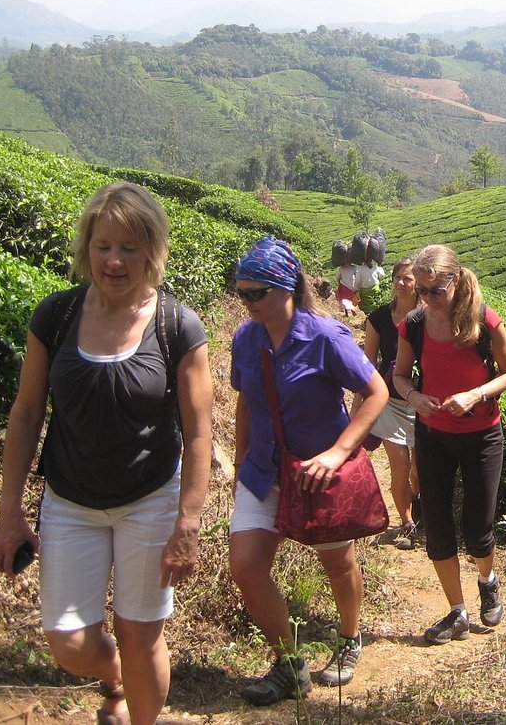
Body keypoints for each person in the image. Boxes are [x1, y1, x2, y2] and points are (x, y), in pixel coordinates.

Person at [0, 182, 214, 725]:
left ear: (152, 250)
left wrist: (188, 519)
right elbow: (25, 413)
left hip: (149, 501)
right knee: (67, 641)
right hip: (70, 501)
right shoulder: (56, 316)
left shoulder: (176, 325)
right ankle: (113, 677)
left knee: (141, 637)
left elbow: (199, 430)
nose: (114, 260)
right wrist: (10, 511)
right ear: (86, 249)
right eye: (103, 246)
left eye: (129, 247)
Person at [228, 235, 389, 705]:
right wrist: (240, 462)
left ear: (286, 287)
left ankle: (349, 638)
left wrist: (339, 452)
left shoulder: (325, 336)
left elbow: (375, 392)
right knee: (246, 567)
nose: (248, 302)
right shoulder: (245, 338)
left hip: (319, 473)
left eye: (257, 292)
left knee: (336, 562)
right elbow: (246, 404)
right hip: (264, 470)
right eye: (242, 293)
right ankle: (289, 664)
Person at [391, 244, 506, 645]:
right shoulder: (412, 324)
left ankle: (488, 579)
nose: (427, 299)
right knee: (439, 528)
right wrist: (414, 398)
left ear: (456, 281)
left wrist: (476, 395)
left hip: (482, 436)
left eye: (434, 290)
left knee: (478, 527)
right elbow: (399, 375)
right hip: (433, 436)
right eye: (421, 291)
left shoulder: (484, 320)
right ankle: (457, 611)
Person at [353, 256, 421, 550]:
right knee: (399, 465)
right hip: (390, 400)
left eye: (407, 278)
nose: (401, 283)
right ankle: (406, 521)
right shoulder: (378, 318)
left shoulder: (428, 315)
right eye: (397, 277)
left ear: (418, 283)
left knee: (419, 469)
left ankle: (419, 510)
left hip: (422, 400)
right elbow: (367, 365)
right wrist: (358, 406)